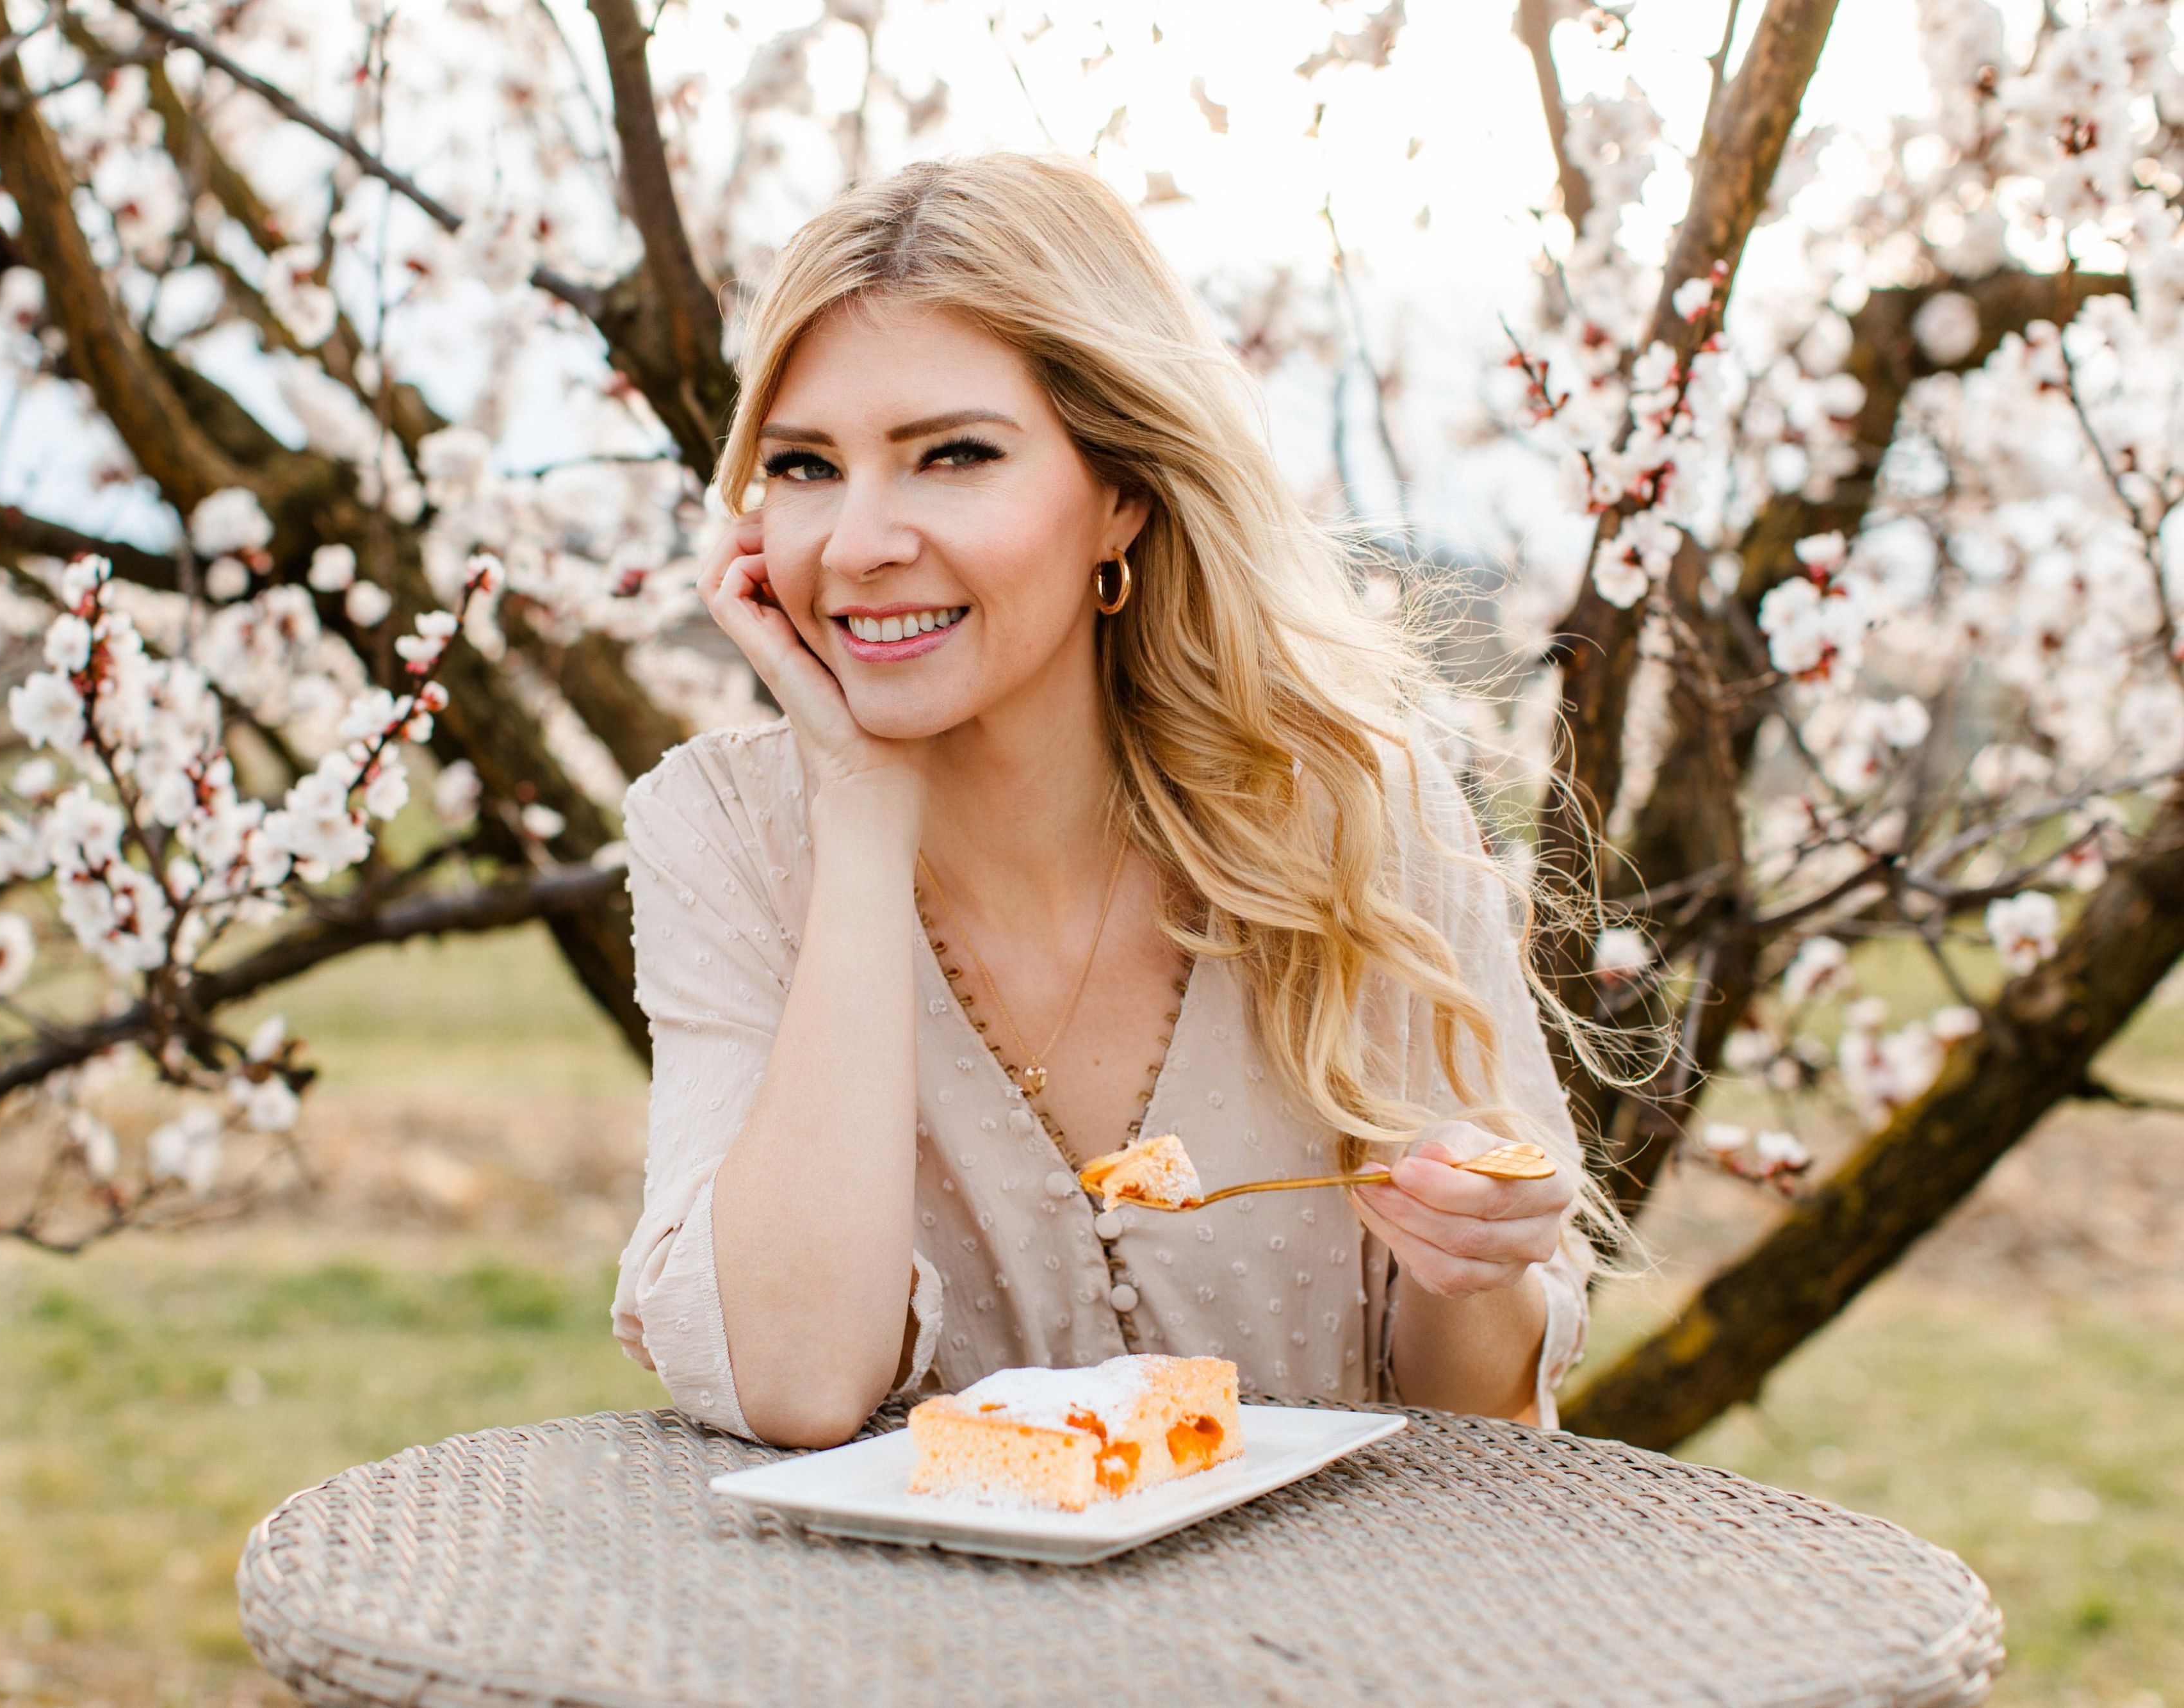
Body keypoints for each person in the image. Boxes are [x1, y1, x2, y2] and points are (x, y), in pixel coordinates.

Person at [612, 153, 1599, 1450]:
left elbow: (1471, 1417)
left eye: (950, 455)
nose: (855, 543)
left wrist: (1472, 1266)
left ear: (1119, 494)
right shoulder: (720, 836)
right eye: (803, 468)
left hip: (1332, 1642)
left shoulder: (1361, 816)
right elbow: (796, 1376)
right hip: (883, 1654)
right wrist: (857, 807)